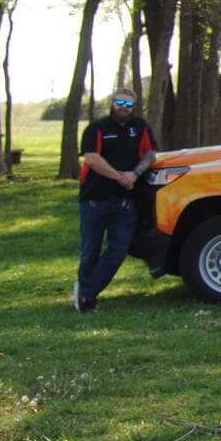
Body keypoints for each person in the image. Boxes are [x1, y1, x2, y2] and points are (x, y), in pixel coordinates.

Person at [73, 89, 157, 312]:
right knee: (90, 251)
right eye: (120, 102)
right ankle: (86, 300)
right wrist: (119, 177)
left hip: (124, 202)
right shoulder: (97, 128)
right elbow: (91, 158)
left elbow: (150, 154)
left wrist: (135, 174)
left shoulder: (140, 127)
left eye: (129, 104)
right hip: (94, 200)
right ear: (112, 103)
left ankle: (85, 291)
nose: (124, 107)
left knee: (119, 250)